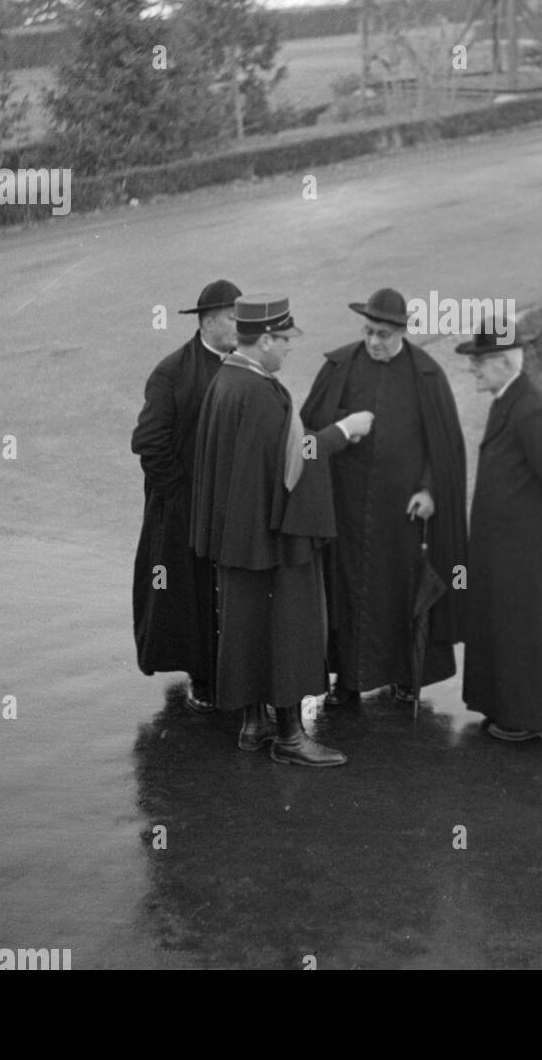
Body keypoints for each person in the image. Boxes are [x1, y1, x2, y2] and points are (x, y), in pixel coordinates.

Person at [190, 294, 373, 766]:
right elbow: (297, 461)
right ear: (265, 339)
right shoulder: (261, 393)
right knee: (288, 627)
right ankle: (291, 738)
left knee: (248, 625)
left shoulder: (225, 380)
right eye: (285, 340)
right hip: (274, 535)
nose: (289, 349)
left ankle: (254, 724)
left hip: (237, 537)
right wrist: (343, 431)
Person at [300, 288, 467, 706]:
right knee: (345, 593)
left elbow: (442, 448)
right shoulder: (339, 366)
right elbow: (308, 429)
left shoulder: (427, 375)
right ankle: (347, 681)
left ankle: (404, 675)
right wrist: (344, 423)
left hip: (401, 514)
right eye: (369, 331)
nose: (374, 341)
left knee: (398, 594)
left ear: (403, 333)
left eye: (384, 334)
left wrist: (431, 490)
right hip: (345, 509)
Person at [457, 321, 542, 741]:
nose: (472, 369)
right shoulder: (508, 400)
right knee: (513, 630)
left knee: (528, 632)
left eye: (478, 362)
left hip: (530, 553)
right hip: (511, 551)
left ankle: (528, 718)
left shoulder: (530, 410)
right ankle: (511, 709)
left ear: (502, 362)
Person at [132, 279, 241, 713]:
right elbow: (149, 441)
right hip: (183, 509)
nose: (240, 326)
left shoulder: (242, 364)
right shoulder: (172, 371)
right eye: (234, 318)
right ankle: (203, 677)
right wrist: (180, 495)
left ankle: (231, 671)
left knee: (227, 591)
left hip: (231, 505)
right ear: (209, 321)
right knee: (189, 594)